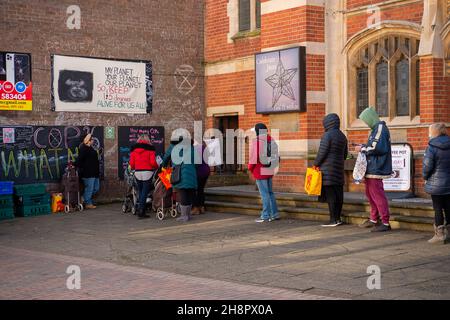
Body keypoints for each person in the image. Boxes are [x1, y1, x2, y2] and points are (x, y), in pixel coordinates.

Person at [356, 107, 393, 232]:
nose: (366, 124)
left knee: (377, 195)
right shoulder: (376, 129)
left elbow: (377, 148)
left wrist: (362, 149)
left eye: (365, 120)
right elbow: (374, 146)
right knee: (370, 194)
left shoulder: (380, 129)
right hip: (372, 167)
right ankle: (374, 219)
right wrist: (363, 146)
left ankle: (385, 222)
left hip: (377, 168)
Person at [314, 114, 348, 227]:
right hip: (339, 170)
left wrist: (316, 164)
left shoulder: (327, 135)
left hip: (328, 172)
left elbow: (322, 152)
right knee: (339, 195)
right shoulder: (343, 136)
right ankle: (338, 219)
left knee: (331, 196)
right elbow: (345, 155)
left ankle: (333, 220)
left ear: (328, 123)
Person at [423, 123, 450, 244]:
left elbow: (427, 166)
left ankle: (440, 235)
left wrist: (425, 177)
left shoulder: (431, 147)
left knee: (438, 208)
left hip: (436, 184)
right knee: (449, 207)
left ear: (434, 132)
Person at [248, 123, 280, 223]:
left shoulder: (257, 141)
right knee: (270, 193)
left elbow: (253, 158)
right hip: (269, 169)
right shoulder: (271, 139)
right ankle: (275, 214)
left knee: (264, 194)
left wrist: (250, 168)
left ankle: (266, 215)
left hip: (259, 170)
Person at [161, 136, 198, 222]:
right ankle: (188, 215)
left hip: (180, 173)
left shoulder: (173, 147)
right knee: (189, 192)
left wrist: (163, 166)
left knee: (183, 193)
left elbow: (166, 158)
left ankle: (184, 216)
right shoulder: (191, 148)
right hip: (191, 172)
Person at [129, 134, 159, 219]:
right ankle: (141, 211)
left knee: (140, 191)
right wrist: (156, 167)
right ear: (148, 140)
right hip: (147, 172)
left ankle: (139, 209)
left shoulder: (134, 150)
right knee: (144, 193)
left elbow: (131, 164)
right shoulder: (150, 149)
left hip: (137, 173)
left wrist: (136, 167)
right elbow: (153, 163)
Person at [75, 133, 100, 210]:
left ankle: (84, 198)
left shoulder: (91, 148)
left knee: (96, 188)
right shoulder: (84, 148)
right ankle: (88, 203)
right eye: (91, 139)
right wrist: (75, 165)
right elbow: (79, 160)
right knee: (90, 188)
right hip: (88, 173)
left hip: (95, 172)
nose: (93, 140)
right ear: (88, 140)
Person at [192, 140, 210, 215]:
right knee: (200, 190)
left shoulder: (195, 149)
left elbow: (196, 163)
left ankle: (196, 208)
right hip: (206, 171)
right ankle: (202, 207)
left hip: (199, 172)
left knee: (195, 191)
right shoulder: (204, 148)